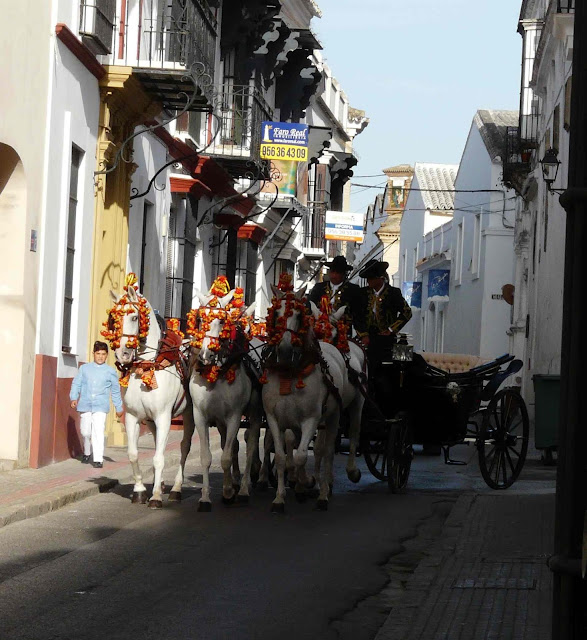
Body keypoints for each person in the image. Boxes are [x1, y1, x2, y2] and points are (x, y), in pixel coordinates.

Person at [70, 341, 124, 468]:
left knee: (98, 431)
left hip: (101, 405)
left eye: (103, 354)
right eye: (98, 353)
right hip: (85, 404)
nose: (100, 356)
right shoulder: (84, 369)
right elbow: (76, 383)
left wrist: (119, 407)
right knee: (85, 432)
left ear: (107, 355)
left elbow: (115, 391)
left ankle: (98, 459)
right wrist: (74, 397)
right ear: (93, 353)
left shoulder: (110, 372)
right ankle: (87, 452)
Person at [355, 258, 412, 351]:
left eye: (371, 278)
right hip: (365, 339)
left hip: (385, 340)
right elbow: (356, 315)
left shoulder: (393, 293)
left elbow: (407, 312)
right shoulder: (362, 293)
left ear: (380, 278)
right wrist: (363, 334)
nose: (368, 281)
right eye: (367, 278)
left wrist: (391, 329)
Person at [308, 256, 362, 331]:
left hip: (343, 331)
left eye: (337, 273)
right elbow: (310, 306)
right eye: (332, 272)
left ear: (344, 274)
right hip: (319, 328)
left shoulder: (353, 290)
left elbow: (357, 313)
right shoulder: (319, 288)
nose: (334, 276)